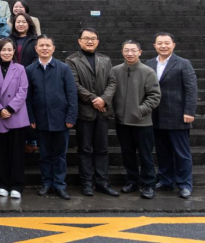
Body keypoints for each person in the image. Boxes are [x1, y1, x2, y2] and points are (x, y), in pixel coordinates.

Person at [66, 28, 120, 197]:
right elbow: (74, 84)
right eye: (86, 38)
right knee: (85, 149)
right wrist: (94, 100)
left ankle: (102, 182)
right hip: (84, 112)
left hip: (103, 112)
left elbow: (112, 82)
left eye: (93, 38)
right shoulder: (72, 60)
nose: (90, 41)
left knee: (102, 149)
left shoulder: (105, 59)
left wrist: (104, 99)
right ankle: (87, 183)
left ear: (97, 41)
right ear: (79, 41)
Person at [26, 35, 78, 200]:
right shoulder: (30, 70)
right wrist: (31, 118)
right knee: (44, 155)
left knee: (60, 155)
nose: (44, 48)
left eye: (48, 45)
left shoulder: (63, 68)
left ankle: (60, 185)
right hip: (41, 120)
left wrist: (71, 116)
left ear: (53, 48)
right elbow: (28, 97)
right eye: (41, 46)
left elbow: (72, 94)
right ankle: (47, 183)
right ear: (36, 49)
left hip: (61, 120)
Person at [146, 32, 198, 199]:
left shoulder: (183, 63)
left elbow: (191, 89)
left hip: (178, 116)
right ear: (154, 45)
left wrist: (189, 111)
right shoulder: (149, 64)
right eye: (159, 43)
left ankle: (184, 184)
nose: (163, 46)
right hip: (156, 116)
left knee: (181, 152)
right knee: (162, 151)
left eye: (167, 43)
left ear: (173, 45)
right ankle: (166, 180)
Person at [112, 40, 162, 200]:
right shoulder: (115, 71)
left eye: (133, 50)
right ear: (122, 52)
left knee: (145, 155)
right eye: (126, 50)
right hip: (122, 122)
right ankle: (132, 181)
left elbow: (155, 96)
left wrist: (140, 111)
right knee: (127, 154)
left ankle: (148, 184)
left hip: (142, 123)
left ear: (139, 52)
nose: (130, 53)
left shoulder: (148, 72)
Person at [0, 38, 30, 200]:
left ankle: (16, 185)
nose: (6, 52)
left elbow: (23, 90)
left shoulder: (20, 69)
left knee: (17, 153)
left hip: (16, 115)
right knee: (0, 153)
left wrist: (9, 108)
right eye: (3, 50)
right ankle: (2, 184)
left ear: (14, 52)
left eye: (9, 49)